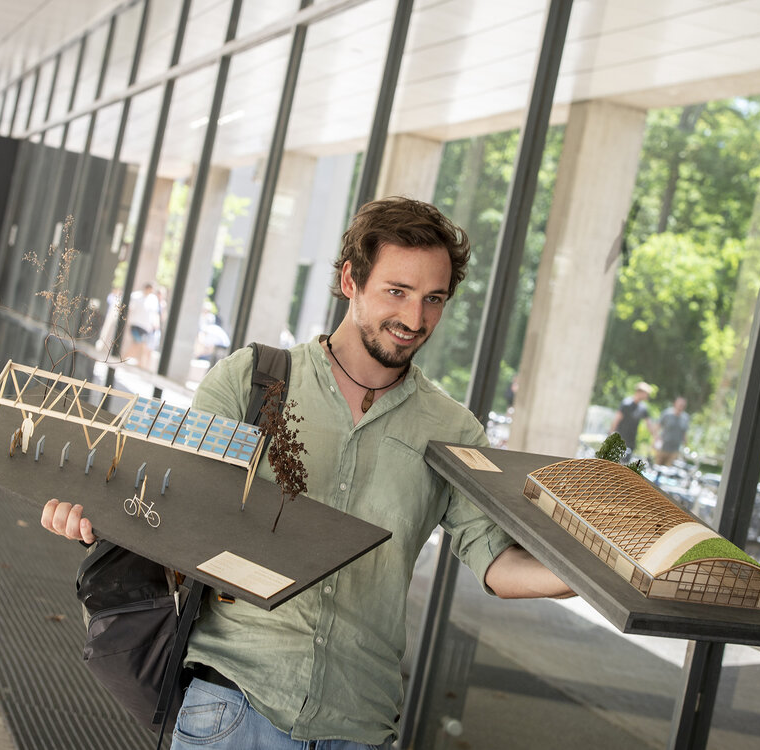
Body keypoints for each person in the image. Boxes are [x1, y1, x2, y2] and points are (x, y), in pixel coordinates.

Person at [42, 197, 571, 749]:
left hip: (359, 723)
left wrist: (604, 576)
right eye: (397, 292)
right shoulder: (254, 382)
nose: (415, 320)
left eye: (433, 299)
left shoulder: (451, 430)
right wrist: (97, 518)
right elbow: (173, 504)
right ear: (351, 280)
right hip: (234, 704)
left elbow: (495, 562)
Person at [611, 381, 654, 457]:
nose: (647, 396)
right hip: (620, 438)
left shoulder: (643, 408)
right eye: (646, 393)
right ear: (639, 392)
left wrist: (655, 437)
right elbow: (617, 419)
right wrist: (611, 433)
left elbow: (649, 424)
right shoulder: (626, 404)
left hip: (631, 441)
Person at [654, 396, 690, 467]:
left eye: (683, 405)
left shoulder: (685, 418)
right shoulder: (667, 414)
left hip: (675, 450)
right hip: (663, 447)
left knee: (668, 470)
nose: (681, 406)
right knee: (656, 467)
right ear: (675, 404)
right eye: (680, 404)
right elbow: (657, 427)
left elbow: (684, 434)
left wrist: (685, 447)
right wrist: (655, 440)